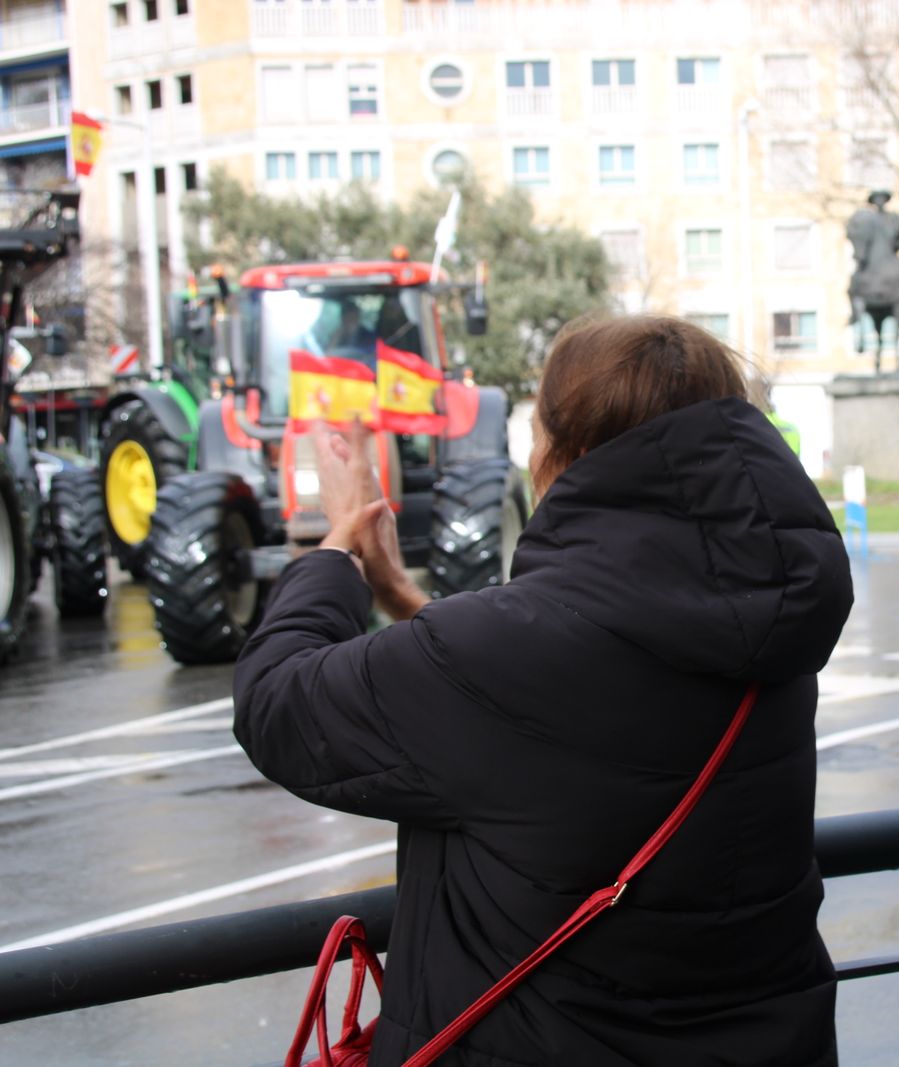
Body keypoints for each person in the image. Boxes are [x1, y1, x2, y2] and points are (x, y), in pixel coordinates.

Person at [233, 315, 853, 1065]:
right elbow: (569, 699)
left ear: (571, 453)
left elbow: (277, 704)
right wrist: (404, 594)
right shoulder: (767, 613)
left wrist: (333, 548)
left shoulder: (501, 654)